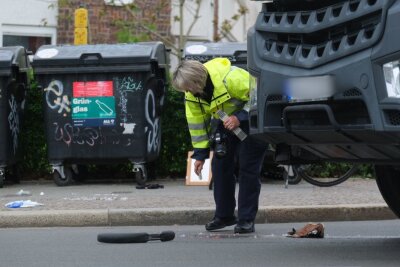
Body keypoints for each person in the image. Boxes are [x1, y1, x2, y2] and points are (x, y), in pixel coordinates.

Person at [172, 58, 267, 233]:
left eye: (187, 87)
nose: (187, 92)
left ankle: (246, 220)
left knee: (248, 169)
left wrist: (240, 117)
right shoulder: (192, 96)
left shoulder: (230, 77)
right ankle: (225, 216)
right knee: (220, 167)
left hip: (253, 126)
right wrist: (200, 156)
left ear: (197, 81)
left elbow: (260, 96)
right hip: (226, 126)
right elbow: (198, 125)